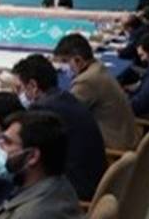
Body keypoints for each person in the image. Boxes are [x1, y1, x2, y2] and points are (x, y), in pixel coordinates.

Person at [11, 54, 105, 201]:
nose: (18, 94)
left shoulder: (43, 110)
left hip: (76, 189)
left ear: (33, 86)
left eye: (19, 88)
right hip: (93, 177)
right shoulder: (64, 97)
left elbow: (30, 154)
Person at [52, 34, 137, 151]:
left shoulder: (86, 81)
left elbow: (66, 115)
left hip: (115, 146)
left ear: (78, 60)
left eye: (64, 61)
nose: (62, 67)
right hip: (126, 135)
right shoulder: (98, 67)